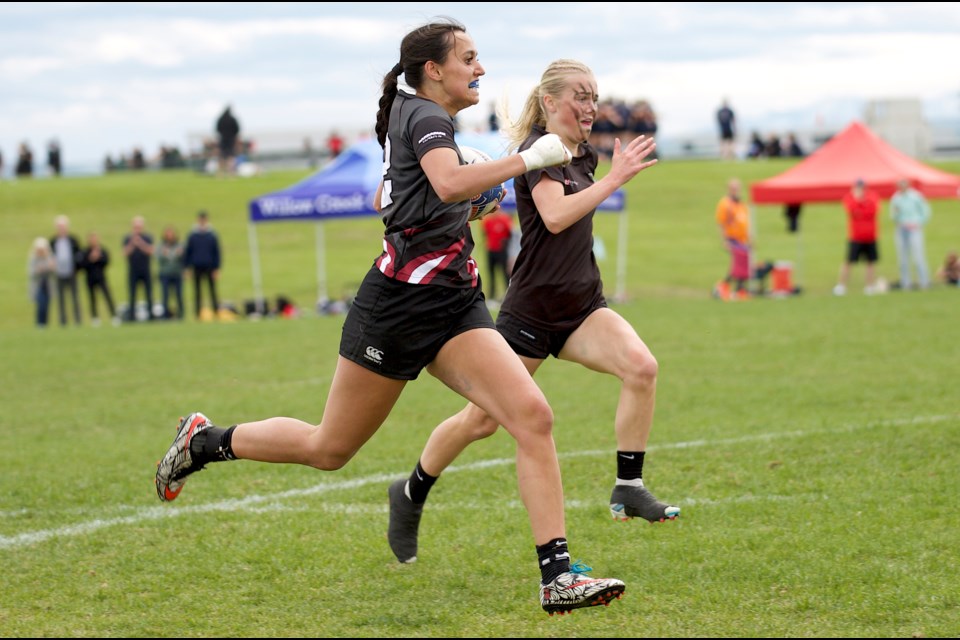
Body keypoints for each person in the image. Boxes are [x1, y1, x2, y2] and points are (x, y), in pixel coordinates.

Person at [155, 20, 625, 616]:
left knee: (532, 416)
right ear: (434, 69)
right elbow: (449, 181)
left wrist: (454, 206)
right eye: (470, 59)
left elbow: (401, 197)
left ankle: (557, 578)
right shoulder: (427, 118)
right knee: (329, 448)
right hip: (398, 309)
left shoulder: (419, 113)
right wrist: (524, 161)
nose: (480, 70)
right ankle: (205, 441)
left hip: (454, 302)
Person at [384, 56, 668, 587]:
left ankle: (628, 485)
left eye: (594, 95)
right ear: (552, 102)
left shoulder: (581, 153)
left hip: (583, 306)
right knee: (482, 421)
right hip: (532, 313)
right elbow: (557, 216)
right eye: (580, 96)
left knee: (641, 367)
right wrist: (616, 178)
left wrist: (605, 172)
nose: (591, 105)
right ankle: (412, 489)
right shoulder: (539, 153)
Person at [834, 178, 880, 296]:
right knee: (849, 261)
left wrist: (861, 204)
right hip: (856, 236)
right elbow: (851, 209)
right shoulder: (850, 197)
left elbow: (871, 211)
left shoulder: (872, 196)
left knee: (870, 262)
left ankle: (869, 286)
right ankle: (841, 285)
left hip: (870, 236)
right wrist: (858, 201)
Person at [889, 178, 931, 290]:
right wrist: (896, 215)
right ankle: (905, 283)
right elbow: (893, 215)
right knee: (902, 258)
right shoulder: (896, 198)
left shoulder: (916, 196)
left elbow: (925, 210)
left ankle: (924, 282)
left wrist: (919, 222)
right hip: (901, 227)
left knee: (918, 256)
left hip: (914, 228)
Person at [714, 178, 751, 300]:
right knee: (738, 264)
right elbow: (721, 223)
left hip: (742, 239)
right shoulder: (725, 204)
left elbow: (744, 222)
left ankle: (740, 289)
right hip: (732, 238)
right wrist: (724, 240)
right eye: (733, 188)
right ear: (729, 189)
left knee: (744, 264)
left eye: (737, 188)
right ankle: (723, 285)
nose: (736, 190)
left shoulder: (741, 204)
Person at [184, 210, 221, 318]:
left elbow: (216, 252)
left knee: (212, 290)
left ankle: (216, 311)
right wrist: (187, 267)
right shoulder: (193, 235)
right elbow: (188, 252)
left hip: (209, 266)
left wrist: (217, 268)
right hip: (196, 266)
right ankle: (197, 313)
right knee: (197, 291)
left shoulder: (212, 235)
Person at [49, 215, 83, 326]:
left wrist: (77, 268)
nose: (61, 229)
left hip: (71, 272)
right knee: (61, 299)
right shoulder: (53, 241)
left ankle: (78, 320)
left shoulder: (73, 240)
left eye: (63, 227)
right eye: (59, 227)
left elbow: (79, 255)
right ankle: (63, 321)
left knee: (75, 297)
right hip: (59, 273)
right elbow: (50, 255)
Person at [79, 232, 118, 326]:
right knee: (92, 299)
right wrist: (91, 259)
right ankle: (95, 318)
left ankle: (114, 316)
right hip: (90, 278)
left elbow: (106, 262)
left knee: (107, 296)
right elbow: (81, 265)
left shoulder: (102, 250)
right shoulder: (85, 252)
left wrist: (99, 257)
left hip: (101, 277)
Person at [123, 215, 155, 320]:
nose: (137, 229)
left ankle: (151, 316)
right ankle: (131, 317)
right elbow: (125, 253)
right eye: (135, 226)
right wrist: (133, 243)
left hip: (145, 269)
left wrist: (140, 243)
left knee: (149, 293)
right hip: (133, 270)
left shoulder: (147, 238)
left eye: (139, 226)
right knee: (132, 294)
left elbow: (151, 251)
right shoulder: (128, 238)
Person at [480, 208, 513, 302]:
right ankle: (491, 296)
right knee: (491, 274)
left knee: (505, 274)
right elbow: (485, 233)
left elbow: (510, 234)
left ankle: (508, 295)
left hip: (502, 251)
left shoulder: (505, 220)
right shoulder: (488, 221)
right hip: (491, 251)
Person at [157, 225, 186, 319]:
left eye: (171, 233)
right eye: (168, 234)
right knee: (165, 295)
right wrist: (163, 254)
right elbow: (158, 258)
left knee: (179, 295)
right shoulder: (161, 246)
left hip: (177, 273)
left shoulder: (179, 245)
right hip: (165, 274)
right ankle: (165, 315)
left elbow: (184, 258)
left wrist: (181, 254)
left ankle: (181, 314)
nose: (169, 235)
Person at [28, 237, 57, 328]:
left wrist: (50, 267)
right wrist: (38, 270)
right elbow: (31, 272)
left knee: (46, 306)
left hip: (47, 285)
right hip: (38, 286)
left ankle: (45, 324)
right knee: (40, 306)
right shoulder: (33, 258)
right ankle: (39, 324)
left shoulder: (49, 257)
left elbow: (54, 271)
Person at [215, 105, 240, 176]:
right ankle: (231, 174)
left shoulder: (220, 119)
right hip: (231, 140)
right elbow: (237, 129)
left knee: (221, 157)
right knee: (231, 157)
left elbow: (217, 129)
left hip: (222, 139)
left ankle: (220, 174)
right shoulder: (233, 119)